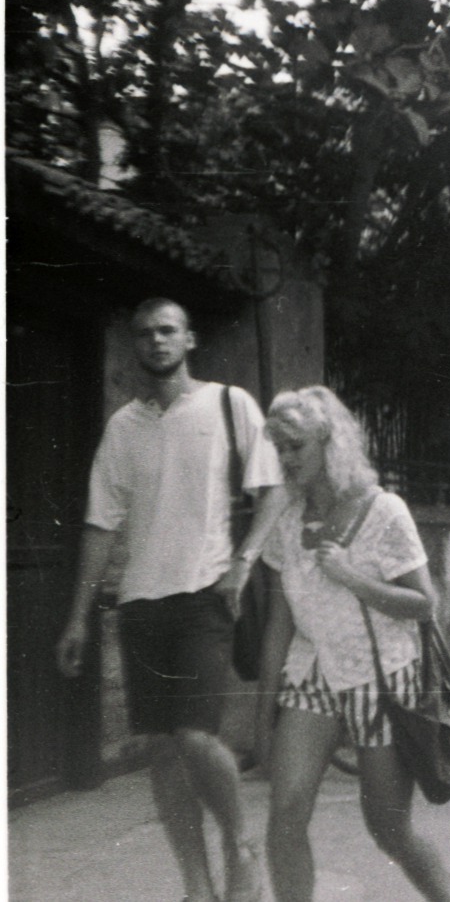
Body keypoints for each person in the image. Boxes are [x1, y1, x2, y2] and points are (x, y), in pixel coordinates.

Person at [55, 297, 282, 902]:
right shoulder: (122, 426)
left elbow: (273, 493)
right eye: (145, 334)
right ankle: (197, 885)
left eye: (167, 331)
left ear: (190, 339)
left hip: (207, 594)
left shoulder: (230, 404)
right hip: (140, 604)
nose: (156, 341)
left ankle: (241, 846)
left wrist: (242, 563)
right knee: (161, 748)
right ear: (135, 345)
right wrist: (78, 618)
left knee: (197, 737)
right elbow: (100, 524)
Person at [255, 386, 450, 902]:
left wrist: (351, 577)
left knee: (388, 828)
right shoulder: (285, 519)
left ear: (329, 442)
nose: (286, 459)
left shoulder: (385, 510)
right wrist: (260, 716)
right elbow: (279, 624)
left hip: (382, 677)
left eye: (295, 446)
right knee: (285, 814)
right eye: (279, 448)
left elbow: (423, 604)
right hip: (313, 675)